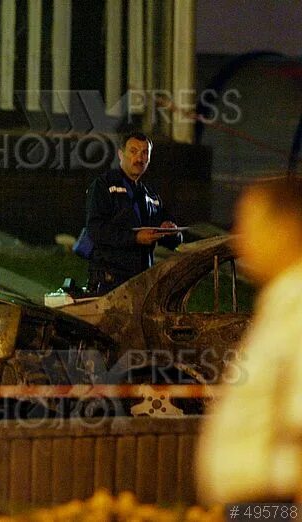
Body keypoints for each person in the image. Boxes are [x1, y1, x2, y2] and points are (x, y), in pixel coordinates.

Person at [197, 177, 302, 503]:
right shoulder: (282, 301)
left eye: (250, 225)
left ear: (286, 227)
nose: (241, 240)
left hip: (276, 504)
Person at [83, 132, 182, 293]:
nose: (139, 158)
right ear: (120, 154)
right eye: (133, 151)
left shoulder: (151, 194)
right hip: (111, 280)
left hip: (143, 280)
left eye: (145, 153)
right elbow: (95, 230)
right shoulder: (104, 185)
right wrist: (135, 238)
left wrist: (171, 232)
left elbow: (173, 241)